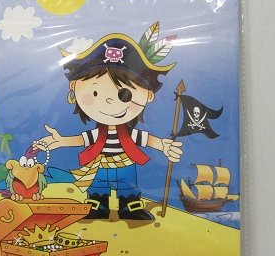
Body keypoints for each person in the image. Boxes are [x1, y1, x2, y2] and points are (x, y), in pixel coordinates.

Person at [40, 26, 183, 221]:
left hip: (125, 163)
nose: (108, 101)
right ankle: (99, 206)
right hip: (100, 163)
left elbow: (144, 138)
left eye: (124, 95)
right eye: (95, 92)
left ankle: (129, 208)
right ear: (74, 86)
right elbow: (85, 139)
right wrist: (62, 141)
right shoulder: (98, 133)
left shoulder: (128, 132)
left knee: (127, 189)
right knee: (98, 189)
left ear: (149, 95)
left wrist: (163, 145)